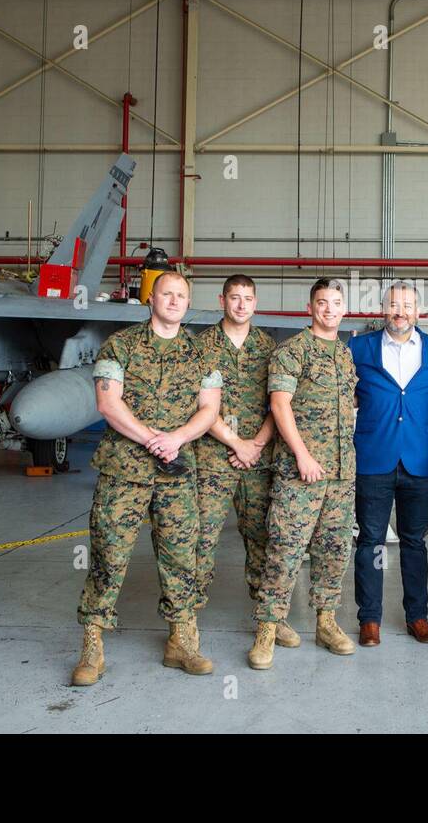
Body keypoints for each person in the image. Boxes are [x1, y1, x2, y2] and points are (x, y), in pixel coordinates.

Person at [71, 270, 222, 685]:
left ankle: (182, 641)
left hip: (177, 472)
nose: (174, 301)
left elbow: (209, 408)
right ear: (150, 299)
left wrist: (176, 438)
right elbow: (107, 403)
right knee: (108, 556)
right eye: (166, 294)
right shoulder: (119, 345)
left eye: (181, 295)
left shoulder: (201, 352)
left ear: (188, 303)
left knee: (181, 558)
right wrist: (152, 438)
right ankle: (92, 647)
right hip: (125, 469)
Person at [248, 278, 358, 670]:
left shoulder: (344, 355)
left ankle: (326, 622)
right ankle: (268, 627)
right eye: (322, 302)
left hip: (341, 473)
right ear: (310, 307)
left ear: (344, 309)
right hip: (301, 472)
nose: (329, 309)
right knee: (285, 549)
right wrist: (303, 456)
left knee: (333, 550)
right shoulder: (292, 351)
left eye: (336, 303)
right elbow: (280, 406)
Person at [193, 274, 300, 649]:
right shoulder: (201, 346)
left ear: (256, 303)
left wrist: (254, 444)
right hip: (213, 457)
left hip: (258, 457)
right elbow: (200, 405)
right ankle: (186, 622)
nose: (241, 305)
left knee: (262, 539)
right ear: (221, 300)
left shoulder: (271, 348)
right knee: (201, 539)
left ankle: (271, 619)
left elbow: (279, 402)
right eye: (234, 298)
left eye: (248, 298)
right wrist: (236, 443)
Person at [348, 281, 428, 646]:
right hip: (373, 456)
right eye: (394, 304)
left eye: (407, 305)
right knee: (371, 541)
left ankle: (417, 616)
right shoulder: (358, 347)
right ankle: (369, 619)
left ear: (418, 311)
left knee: (414, 542)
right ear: (382, 309)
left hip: (419, 460)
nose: (400, 311)